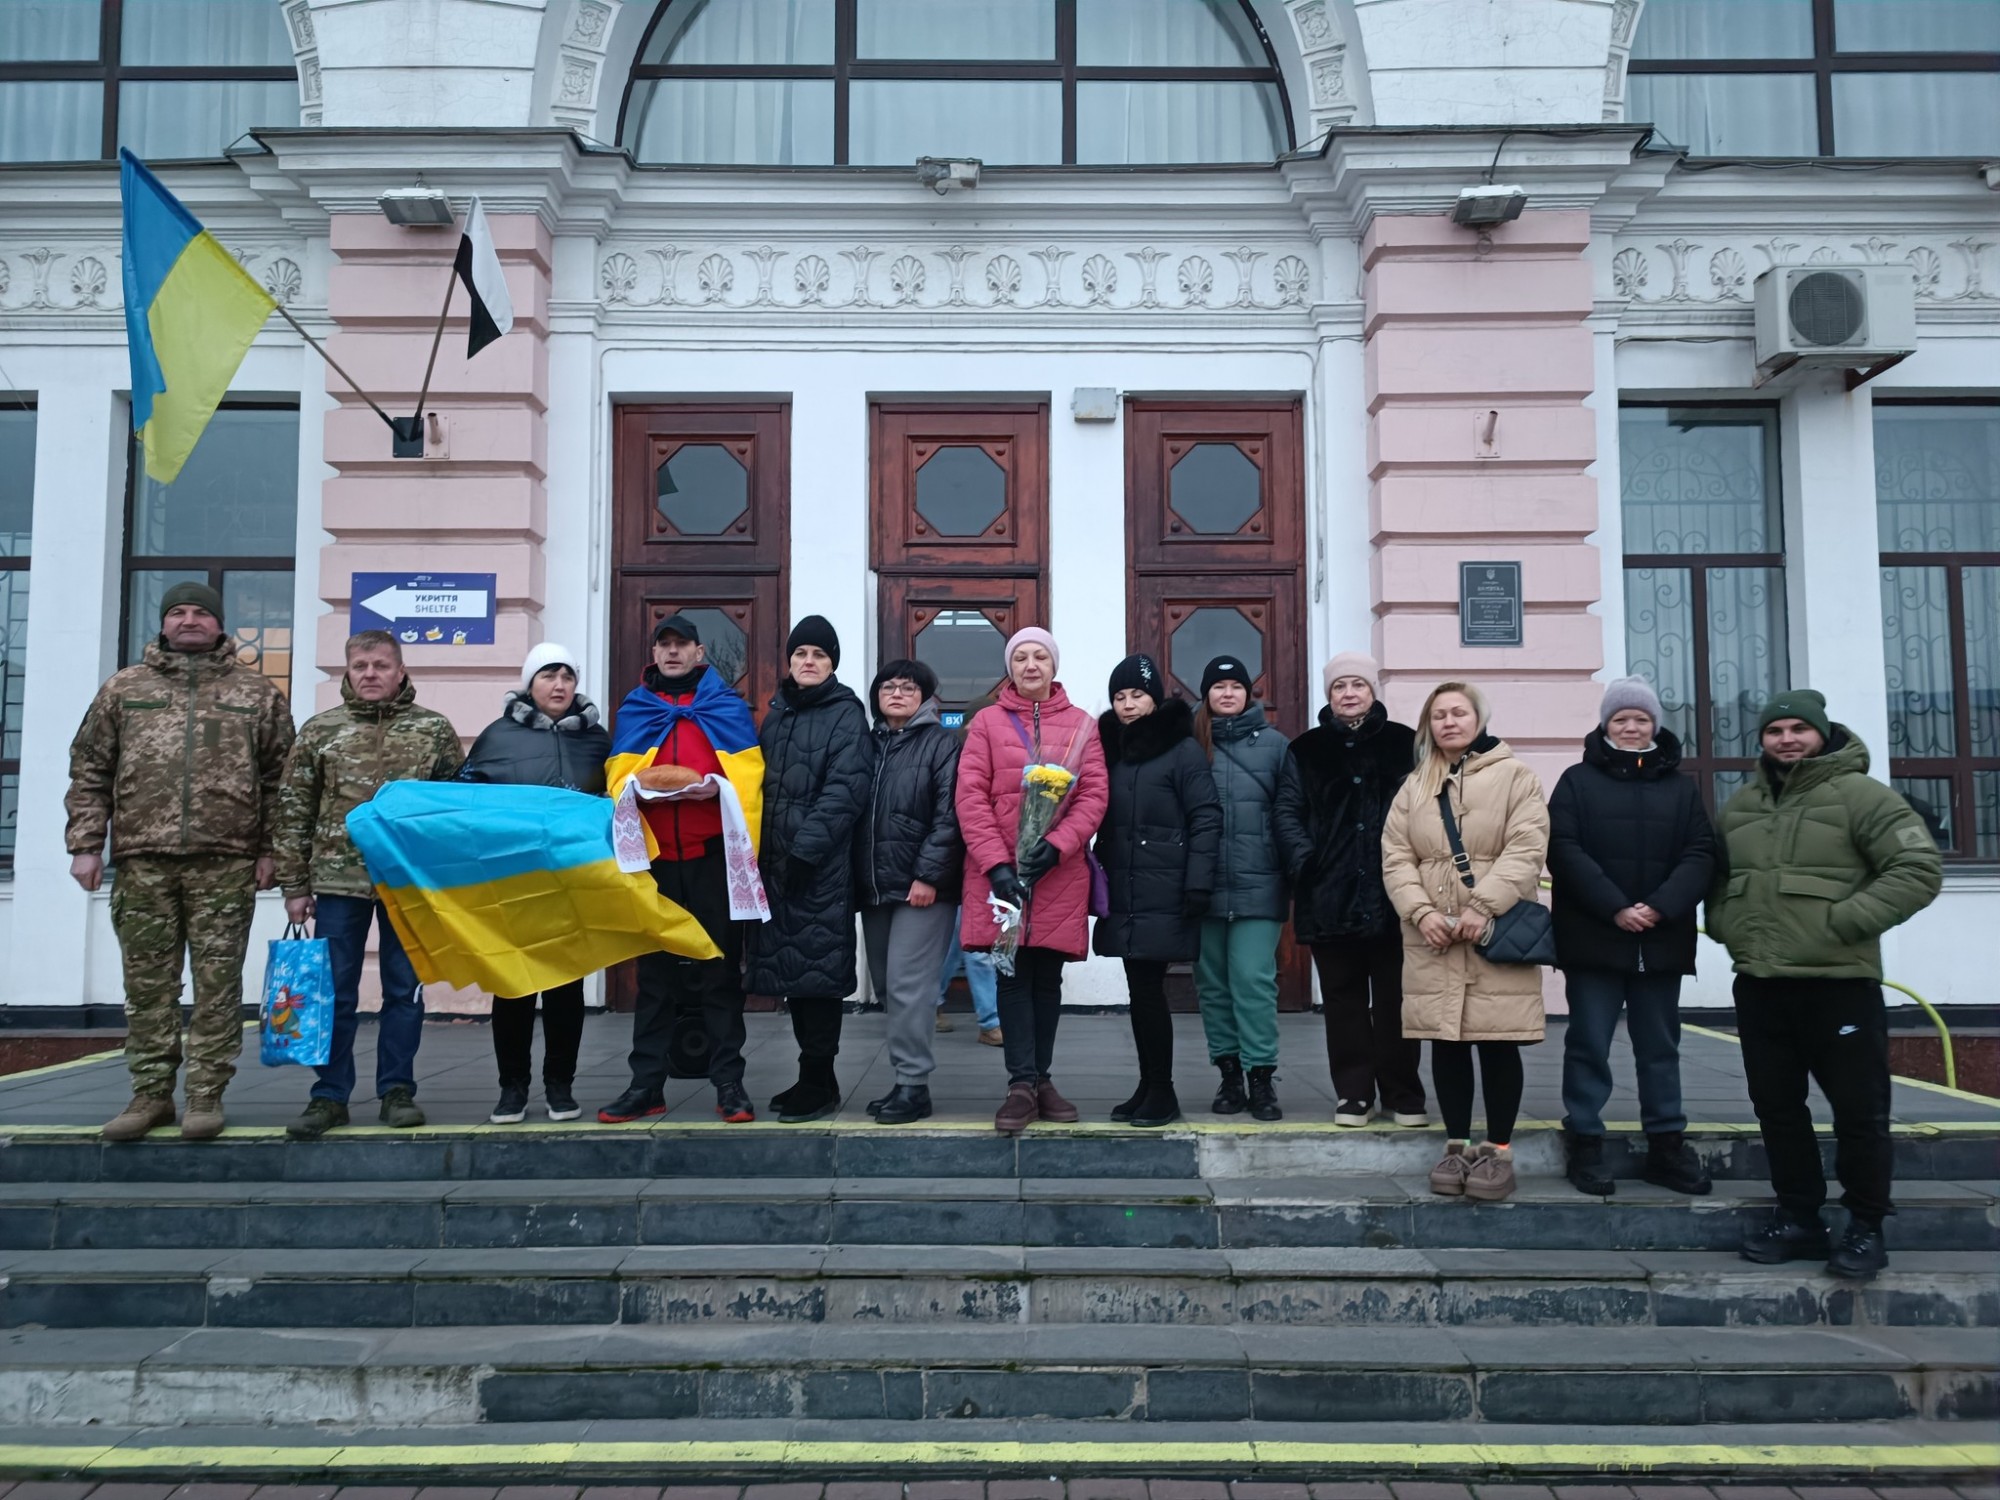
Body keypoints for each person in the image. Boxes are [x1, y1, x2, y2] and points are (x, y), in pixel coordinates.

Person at [1708, 689, 1942, 1280]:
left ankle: (1866, 1226)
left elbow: (1917, 868)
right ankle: (1799, 1218)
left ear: (1821, 733)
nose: (1786, 739)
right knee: (1778, 1110)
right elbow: (1719, 879)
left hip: (1839, 986)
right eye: (1775, 731)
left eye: (1798, 729)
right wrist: (1726, 926)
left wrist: (1844, 922)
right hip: (1761, 984)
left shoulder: (1863, 796)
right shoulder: (1741, 805)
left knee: (1859, 1112)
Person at [65, 582, 295, 1142]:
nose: (189, 620)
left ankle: (205, 1094)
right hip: (143, 861)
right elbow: (90, 769)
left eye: (200, 613)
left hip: (226, 862)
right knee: (148, 986)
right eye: (177, 612)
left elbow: (280, 781)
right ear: (163, 623)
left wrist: (271, 851)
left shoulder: (256, 693)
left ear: (219, 625)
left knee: (218, 985)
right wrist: (85, 845)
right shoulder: (124, 689)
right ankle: (150, 1095)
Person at [274, 630, 464, 1139]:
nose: (371, 674)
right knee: (333, 993)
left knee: (404, 991)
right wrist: (294, 885)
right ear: (348, 671)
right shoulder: (321, 731)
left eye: (381, 665)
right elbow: (293, 809)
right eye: (361, 666)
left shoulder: (432, 730)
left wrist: (446, 880)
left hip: (408, 883)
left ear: (400, 671)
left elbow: (452, 810)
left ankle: (396, 1091)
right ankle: (329, 1095)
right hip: (339, 881)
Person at [1548, 676, 1716, 1197]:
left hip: (1660, 940)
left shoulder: (1681, 788)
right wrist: (1616, 907)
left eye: (1640, 719)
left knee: (1660, 1046)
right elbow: (1563, 849)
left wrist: (1659, 907)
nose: (1630, 727)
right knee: (1588, 1043)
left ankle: (1666, 1144)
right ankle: (1585, 1141)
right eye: (1620, 718)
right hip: (1594, 938)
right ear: (1605, 725)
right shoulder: (1576, 782)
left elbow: (1701, 853)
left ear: (1654, 726)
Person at [1382, 681, 1550, 1203]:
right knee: (1446, 1042)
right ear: (1428, 726)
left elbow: (1527, 847)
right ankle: (1455, 1146)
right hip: (1433, 937)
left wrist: (1484, 907)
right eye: (1439, 715)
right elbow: (1396, 855)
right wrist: (1420, 912)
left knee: (1498, 1042)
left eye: (1459, 713)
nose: (1449, 722)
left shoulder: (1516, 777)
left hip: (1493, 931)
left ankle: (1497, 1151)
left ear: (1479, 719)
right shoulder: (1415, 786)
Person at [601, 613, 760, 1124]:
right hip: (655, 863)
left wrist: (709, 785)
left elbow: (747, 777)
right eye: (664, 644)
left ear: (699, 653)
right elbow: (618, 775)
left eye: (682, 644)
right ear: (654, 653)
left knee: (719, 973)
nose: (672, 652)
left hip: (711, 860)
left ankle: (729, 1084)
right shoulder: (636, 708)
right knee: (654, 977)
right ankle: (646, 1085)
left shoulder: (726, 708)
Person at [956, 626, 1108, 1134]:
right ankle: (1020, 1084)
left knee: (1047, 977)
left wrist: (1058, 845)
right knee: (1012, 975)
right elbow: (970, 796)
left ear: (1053, 665)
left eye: (1040, 656)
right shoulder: (986, 723)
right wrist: (997, 865)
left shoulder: (1083, 724)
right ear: (1010, 668)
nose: (1030, 665)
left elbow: (1093, 795)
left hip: (1058, 872)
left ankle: (1043, 1079)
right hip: (1000, 875)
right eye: (1020, 657)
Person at [458, 642, 612, 1124]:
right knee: (514, 987)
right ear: (530, 684)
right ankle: (512, 1088)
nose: (559, 685)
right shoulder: (497, 736)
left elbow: (614, 800)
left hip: (573, 883)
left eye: (567, 676)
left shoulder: (597, 740)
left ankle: (560, 1086)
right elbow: (465, 799)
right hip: (513, 882)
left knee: (566, 988)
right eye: (548, 675)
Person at [1274, 651, 1425, 1129]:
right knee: (1343, 1001)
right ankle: (1354, 1094)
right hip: (1329, 895)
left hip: (1395, 896)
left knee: (1396, 1000)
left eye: (1358, 684)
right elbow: (1287, 812)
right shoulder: (1306, 749)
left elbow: (1427, 807)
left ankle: (1402, 1094)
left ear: (1373, 690)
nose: (1349, 694)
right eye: (1340, 686)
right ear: (1329, 695)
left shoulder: (1405, 743)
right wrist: (1308, 863)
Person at [747, 616, 872, 1123]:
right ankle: (815, 1078)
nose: (809, 661)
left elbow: (845, 790)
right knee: (794, 973)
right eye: (801, 653)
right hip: (776, 867)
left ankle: (818, 1079)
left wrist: (805, 852)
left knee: (818, 975)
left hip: (819, 869)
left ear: (832, 663)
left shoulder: (846, 714)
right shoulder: (777, 714)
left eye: (819, 655)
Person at [1092, 653, 1221, 1128]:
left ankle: (1163, 1091)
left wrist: (1198, 883)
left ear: (1155, 699)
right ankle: (1148, 1085)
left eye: (1137, 695)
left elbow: (1206, 817)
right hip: (1125, 888)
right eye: (1119, 697)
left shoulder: (1181, 750)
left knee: (1148, 991)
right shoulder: (1111, 750)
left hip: (1166, 889)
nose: (1128, 705)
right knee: (1139, 990)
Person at [856, 658, 964, 1124]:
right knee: (886, 985)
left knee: (909, 986)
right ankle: (903, 1078)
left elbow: (949, 814)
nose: (897, 694)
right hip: (875, 885)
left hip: (923, 887)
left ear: (924, 697)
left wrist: (929, 876)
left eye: (907, 687)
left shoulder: (941, 743)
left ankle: (913, 1086)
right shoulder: (867, 744)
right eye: (888, 687)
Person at [1191, 655, 1290, 1122]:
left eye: (1235, 686)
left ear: (1249, 693)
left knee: (1253, 981)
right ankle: (1229, 1075)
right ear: (1206, 694)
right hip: (1204, 885)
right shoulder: (1192, 744)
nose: (1227, 693)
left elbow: (1291, 812)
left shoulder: (1276, 746)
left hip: (1259, 882)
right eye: (1218, 686)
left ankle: (1261, 1078)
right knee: (1212, 985)